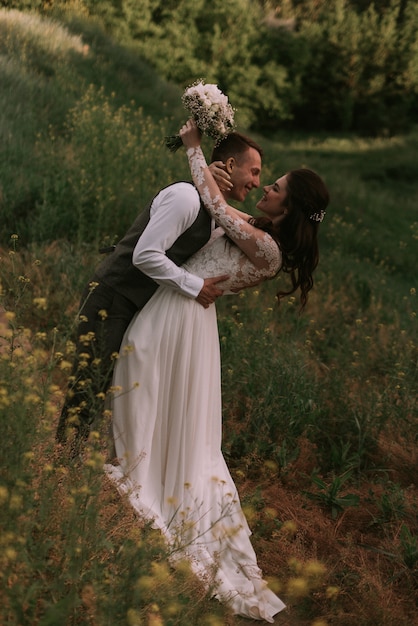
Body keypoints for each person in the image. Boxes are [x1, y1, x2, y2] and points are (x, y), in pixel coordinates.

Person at [104, 120, 329, 621]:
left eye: (275, 187)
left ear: (287, 207)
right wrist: (213, 170)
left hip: (186, 316)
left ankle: (143, 479)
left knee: (144, 383)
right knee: (145, 389)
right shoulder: (259, 228)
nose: (266, 188)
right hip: (182, 305)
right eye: (265, 180)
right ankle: (139, 465)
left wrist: (195, 151)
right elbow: (216, 208)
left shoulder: (267, 248)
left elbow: (216, 208)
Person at [56, 131, 263, 450]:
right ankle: (62, 461)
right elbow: (145, 254)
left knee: (109, 384)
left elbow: (258, 231)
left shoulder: (217, 213)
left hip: (137, 303)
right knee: (90, 384)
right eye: (254, 172)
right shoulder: (186, 197)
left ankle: (78, 458)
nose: (257, 182)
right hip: (114, 293)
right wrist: (195, 288)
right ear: (231, 164)